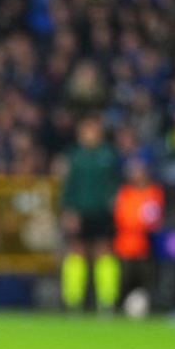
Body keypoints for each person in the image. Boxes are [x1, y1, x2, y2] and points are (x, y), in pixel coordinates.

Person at [60, 115, 122, 312]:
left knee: (104, 251)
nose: (89, 134)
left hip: (102, 211)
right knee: (77, 252)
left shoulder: (108, 155)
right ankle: (73, 300)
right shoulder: (75, 155)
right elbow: (69, 186)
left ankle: (107, 300)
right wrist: (68, 210)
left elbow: (117, 183)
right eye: (86, 130)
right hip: (80, 211)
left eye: (93, 130)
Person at [112, 157, 164, 312]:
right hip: (125, 245)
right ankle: (119, 308)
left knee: (146, 281)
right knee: (124, 280)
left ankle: (148, 308)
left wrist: (139, 225)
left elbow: (154, 219)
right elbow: (121, 217)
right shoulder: (125, 192)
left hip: (145, 245)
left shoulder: (154, 192)